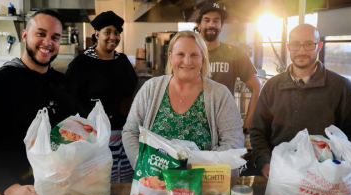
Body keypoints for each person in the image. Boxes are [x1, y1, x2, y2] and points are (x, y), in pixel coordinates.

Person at [0, 9, 77, 195]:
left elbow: (72, 135)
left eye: (55, 37)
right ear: (25, 35)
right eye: (41, 34)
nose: (48, 42)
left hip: (61, 193)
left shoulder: (64, 85)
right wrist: (9, 188)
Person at [249, 24, 351, 179]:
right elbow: (258, 130)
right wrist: (265, 162)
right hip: (279, 175)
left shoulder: (341, 87)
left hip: (324, 179)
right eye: (295, 44)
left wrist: (338, 165)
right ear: (288, 47)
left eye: (308, 44)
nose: (301, 50)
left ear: (319, 46)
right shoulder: (272, 86)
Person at [122, 31, 244, 168]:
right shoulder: (151, 88)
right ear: (170, 56)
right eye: (180, 54)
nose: (187, 61)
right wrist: (143, 165)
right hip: (154, 183)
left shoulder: (220, 94)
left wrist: (195, 172)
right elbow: (130, 132)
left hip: (202, 184)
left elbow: (234, 143)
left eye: (194, 55)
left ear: (202, 58)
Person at [66, 11, 138, 183]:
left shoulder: (122, 60)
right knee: (101, 183)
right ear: (97, 34)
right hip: (97, 137)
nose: (113, 36)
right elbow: (69, 98)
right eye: (108, 32)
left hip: (125, 134)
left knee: (125, 183)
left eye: (117, 32)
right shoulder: (82, 63)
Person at [195, 2, 262, 133]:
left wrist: (247, 125)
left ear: (221, 26)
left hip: (225, 126)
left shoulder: (235, 53)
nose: (211, 24)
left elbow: (257, 88)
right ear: (199, 25)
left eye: (216, 20)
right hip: (195, 123)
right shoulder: (190, 54)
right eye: (207, 20)